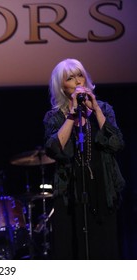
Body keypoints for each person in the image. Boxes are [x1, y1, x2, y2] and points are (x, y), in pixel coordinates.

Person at [43, 58, 125, 259]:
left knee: (103, 250)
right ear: (62, 86)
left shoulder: (104, 109)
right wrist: (71, 115)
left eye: (80, 75)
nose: (78, 81)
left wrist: (95, 108)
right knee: (71, 251)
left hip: (102, 189)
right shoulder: (55, 117)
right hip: (69, 193)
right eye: (70, 78)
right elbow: (53, 149)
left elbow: (116, 143)